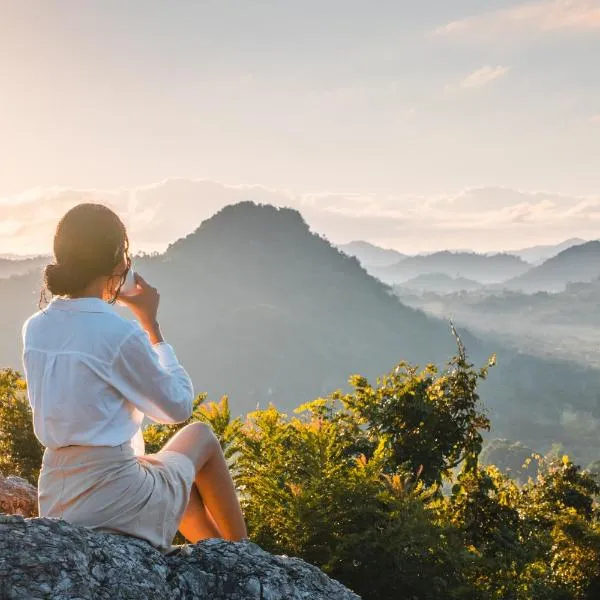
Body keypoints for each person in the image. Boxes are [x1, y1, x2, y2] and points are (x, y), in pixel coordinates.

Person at [21, 203, 247, 552]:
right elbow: (176, 407)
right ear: (116, 259)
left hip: (56, 497)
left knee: (165, 472)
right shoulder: (118, 333)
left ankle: (218, 553)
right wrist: (151, 325)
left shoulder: (35, 329)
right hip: (112, 498)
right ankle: (243, 555)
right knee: (200, 437)